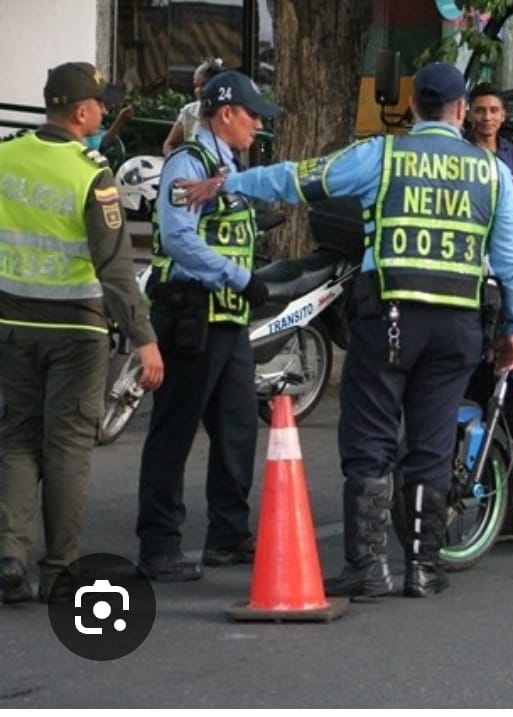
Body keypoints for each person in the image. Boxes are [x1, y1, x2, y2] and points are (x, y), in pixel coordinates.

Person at [180, 62, 513, 599]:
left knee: (370, 440)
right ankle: (424, 567)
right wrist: (511, 328)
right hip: (458, 327)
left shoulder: (382, 156)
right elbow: (510, 264)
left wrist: (232, 182)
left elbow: (301, 180)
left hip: (389, 322)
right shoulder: (493, 173)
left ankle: (368, 567)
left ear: (414, 107)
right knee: (433, 445)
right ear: (461, 112)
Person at [0, 62, 164, 604]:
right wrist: (144, 339)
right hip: (75, 329)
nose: (105, 112)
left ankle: (9, 557)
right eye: (99, 104)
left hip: (12, 325)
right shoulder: (91, 174)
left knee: (17, 440)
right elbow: (115, 269)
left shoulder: (6, 156)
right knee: (67, 446)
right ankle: (60, 569)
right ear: (79, 111)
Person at [135, 70, 281, 582]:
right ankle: (158, 545)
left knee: (237, 428)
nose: (258, 125)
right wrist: (239, 276)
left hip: (228, 318)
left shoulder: (227, 166)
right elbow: (178, 239)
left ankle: (228, 533)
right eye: (252, 115)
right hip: (192, 312)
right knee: (174, 431)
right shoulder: (187, 162)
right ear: (224, 114)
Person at [466, 82, 513, 213]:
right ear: (468, 115)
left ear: (503, 115)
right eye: (480, 111)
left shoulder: (512, 153)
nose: (487, 117)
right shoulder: (459, 149)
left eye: (494, 110)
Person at [162, 58, 225, 156]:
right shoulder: (189, 112)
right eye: (196, 86)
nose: (199, 90)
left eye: (204, 85)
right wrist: (175, 162)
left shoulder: (229, 114)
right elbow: (169, 144)